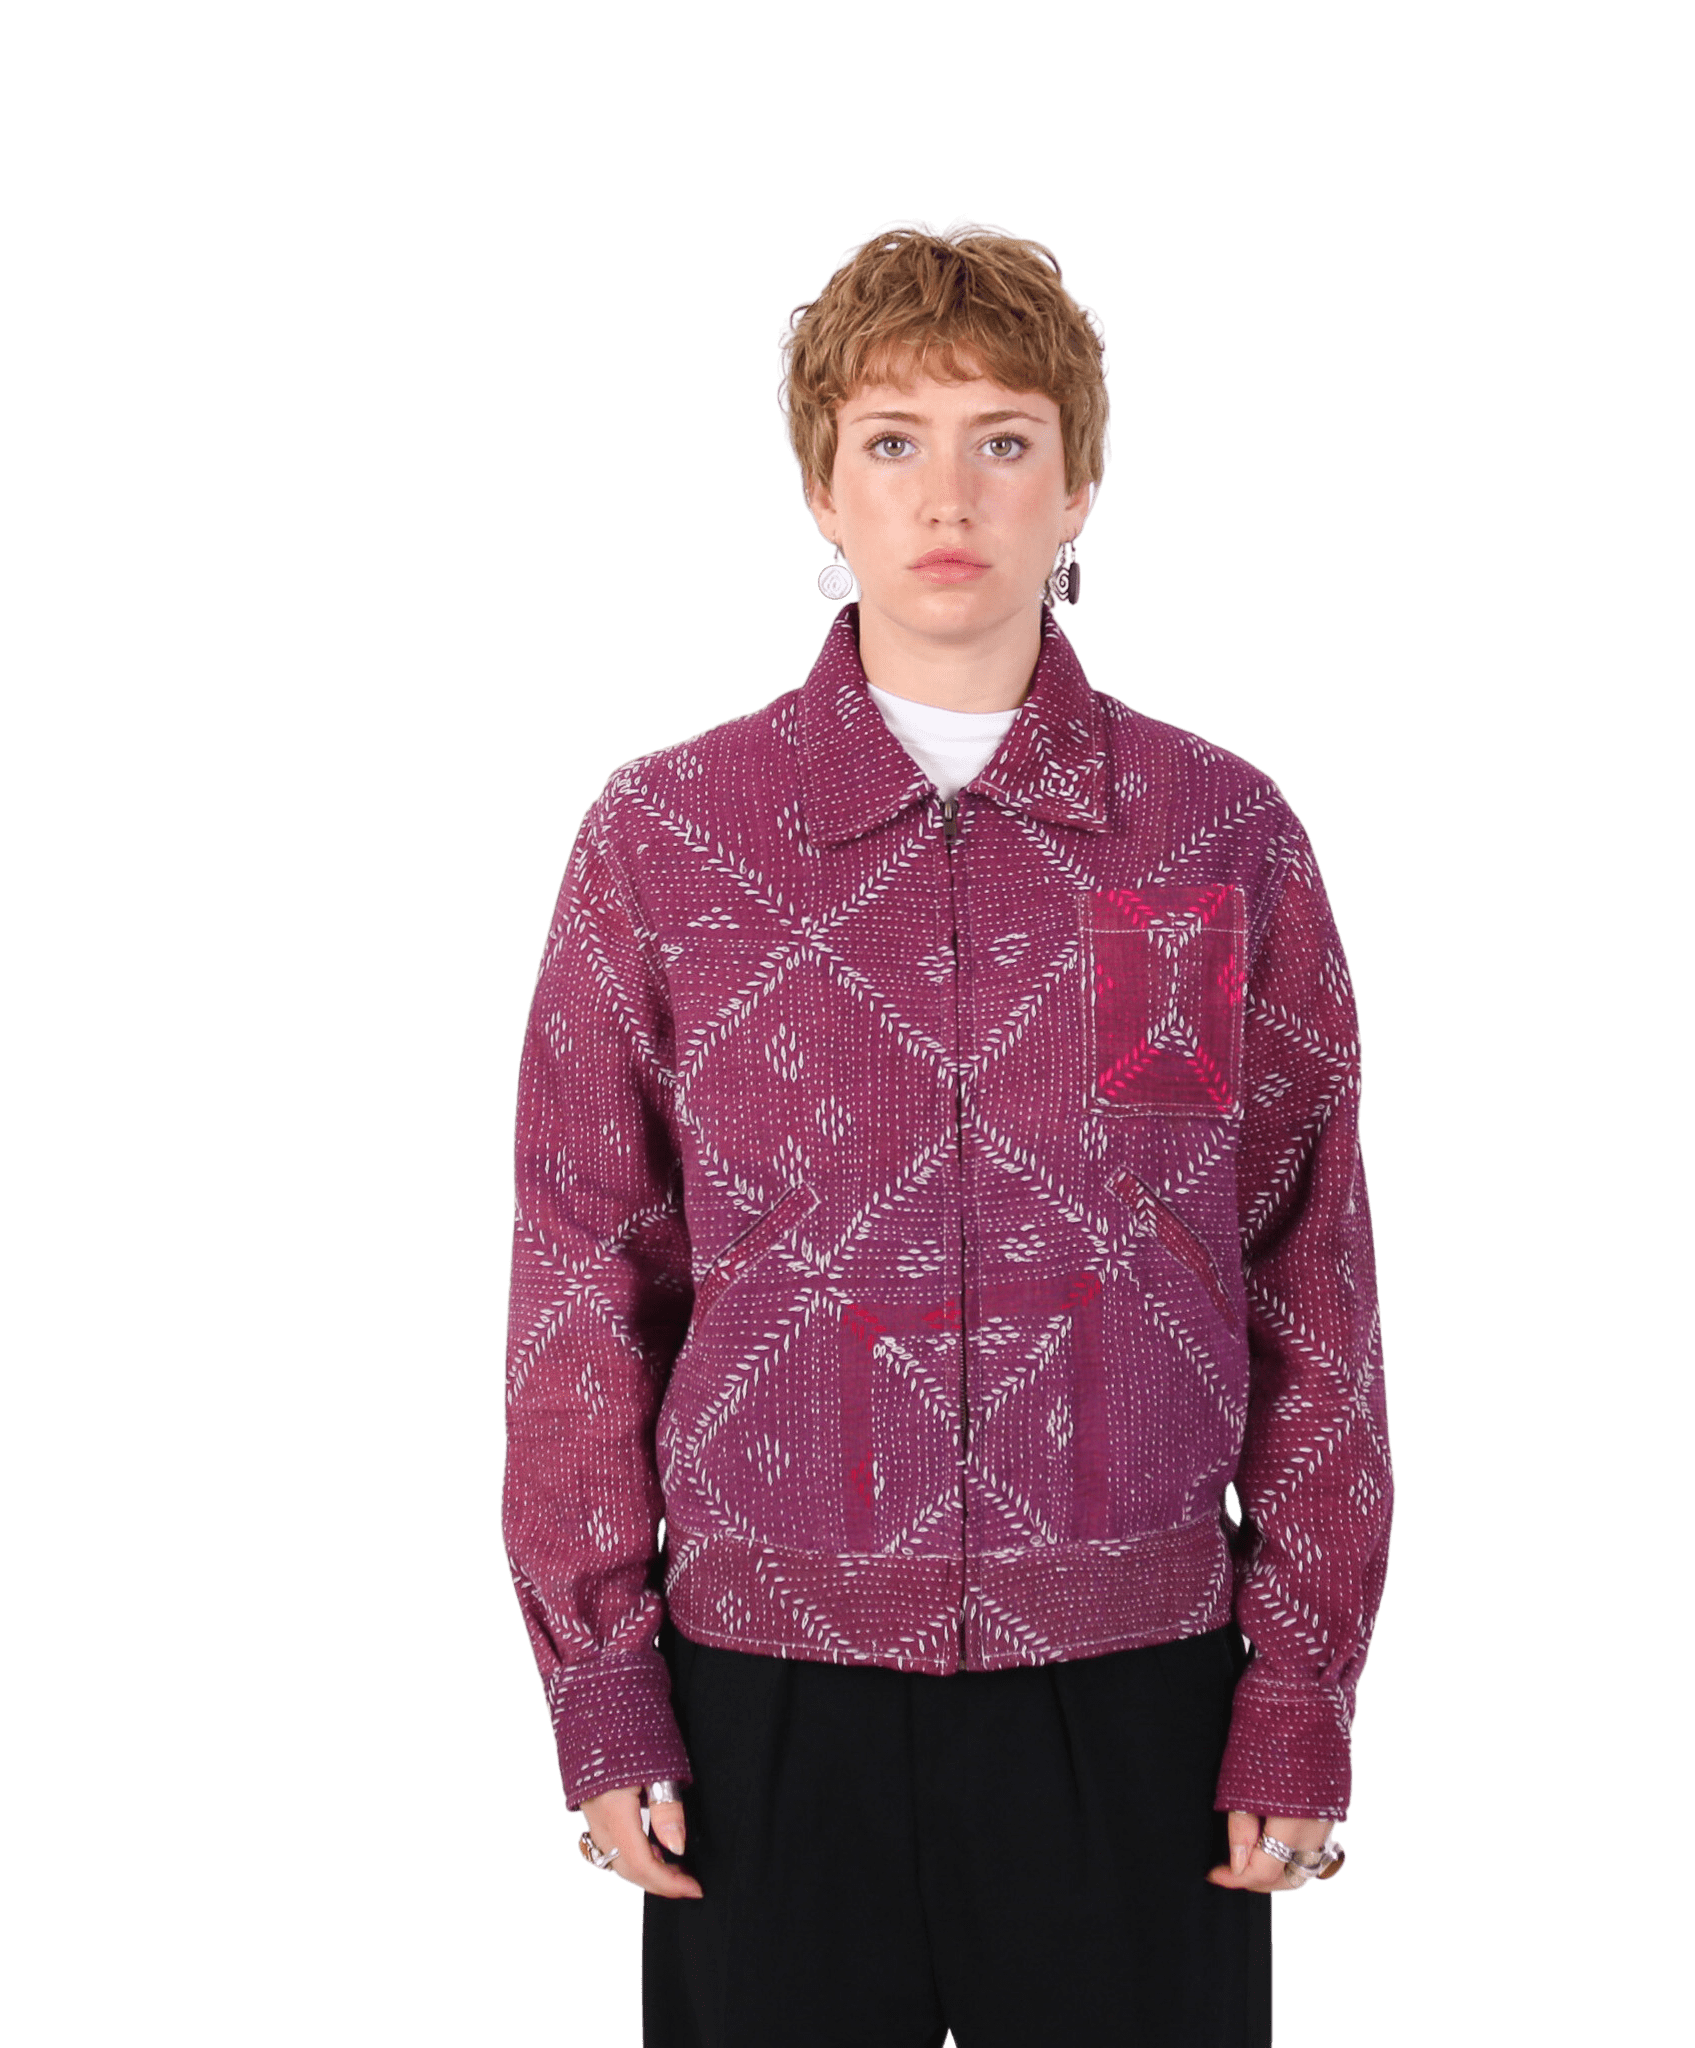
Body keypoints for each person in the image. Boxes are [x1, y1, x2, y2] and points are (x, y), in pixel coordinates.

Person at [500, 216, 1395, 2048]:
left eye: (1005, 439)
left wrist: (1299, 1689)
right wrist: (603, 1681)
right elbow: (583, 1273)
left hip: (1143, 1703)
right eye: (893, 439)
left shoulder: (1219, 835)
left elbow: (1314, 1280)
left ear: (1083, 485)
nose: (949, 494)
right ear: (819, 488)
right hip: (762, 1708)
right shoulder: (666, 839)